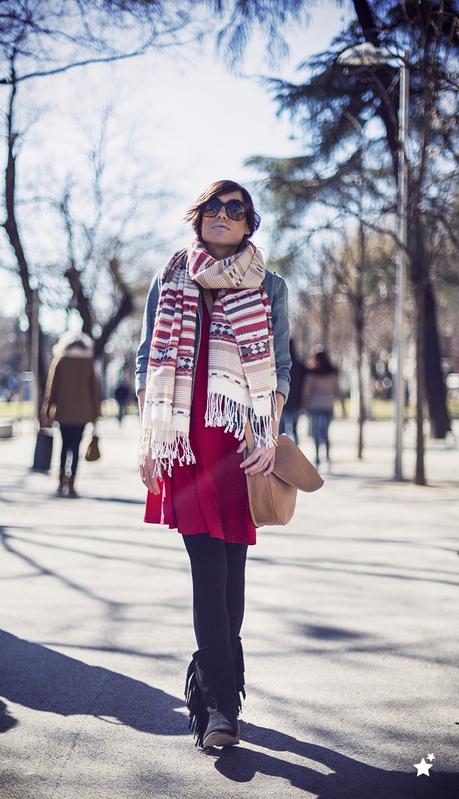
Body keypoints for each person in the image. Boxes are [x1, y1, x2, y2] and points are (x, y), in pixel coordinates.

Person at [136, 179, 291, 749]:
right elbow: (143, 359)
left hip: (240, 445)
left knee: (234, 576)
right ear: (197, 217)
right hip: (184, 444)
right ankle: (223, 708)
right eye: (214, 207)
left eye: (236, 209)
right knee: (210, 570)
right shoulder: (171, 278)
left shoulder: (269, 284)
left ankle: (212, 680)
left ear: (249, 224)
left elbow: (285, 368)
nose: (224, 216)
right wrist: (148, 437)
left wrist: (269, 435)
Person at [41, 332, 101, 497]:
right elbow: (95, 390)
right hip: (83, 413)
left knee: (64, 445)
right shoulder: (88, 362)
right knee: (75, 447)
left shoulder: (60, 360)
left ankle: (61, 480)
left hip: (63, 412)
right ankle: (72, 482)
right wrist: (97, 414)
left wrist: (46, 410)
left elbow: (51, 388)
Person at [302, 348, 343, 469]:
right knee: (325, 432)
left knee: (315, 433)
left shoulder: (312, 373)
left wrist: (304, 405)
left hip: (315, 406)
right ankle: (328, 458)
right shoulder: (332, 373)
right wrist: (342, 405)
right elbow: (337, 390)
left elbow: (306, 391)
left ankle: (317, 458)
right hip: (328, 405)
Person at [279, 338, 308, 444]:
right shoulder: (300, 364)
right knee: (295, 430)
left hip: (281, 400)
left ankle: (281, 454)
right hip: (296, 401)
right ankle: (295, 452)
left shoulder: (280, 365)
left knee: (280, 431)